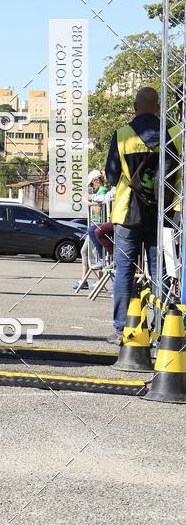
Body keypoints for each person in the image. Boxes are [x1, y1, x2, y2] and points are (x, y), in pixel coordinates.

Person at [104, 86, 174, 345]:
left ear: (135, 107)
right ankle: (165, 329)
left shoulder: (122, 135)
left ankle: (122, 328)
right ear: (158, 107)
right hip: (162, 213)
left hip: (127, 212)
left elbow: (111, 177)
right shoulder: (174, 133)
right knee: (161, 272)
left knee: (123, 271)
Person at [72, 170, 109, 292]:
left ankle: (99, 281)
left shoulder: (103, 191)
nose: (92, 186)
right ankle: (85, 280)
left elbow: (98, 210)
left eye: (92, 184)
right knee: (86, 251)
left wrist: (87, 202)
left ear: (95, 181)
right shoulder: (100, 191)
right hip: (95, 225)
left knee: (98, 253)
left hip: (98, 226)